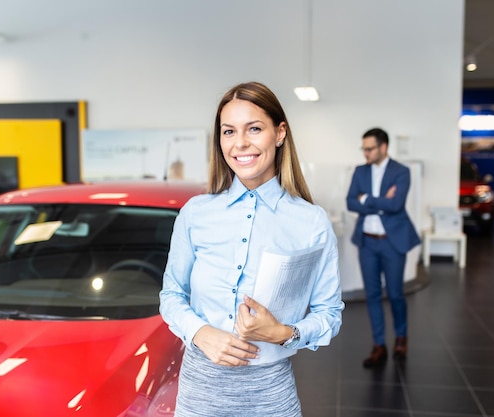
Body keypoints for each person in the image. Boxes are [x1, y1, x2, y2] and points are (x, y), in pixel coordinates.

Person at [160, 81, 344, 416]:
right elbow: (171, 295)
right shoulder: (195, 213)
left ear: (280, 133)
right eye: (228, 131)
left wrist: (284, 334)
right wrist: (201, 333)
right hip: (199, 392)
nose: (240, 143)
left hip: (270, 395)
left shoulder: (311, 222)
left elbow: (329, 314)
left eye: (254, 128)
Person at [346, 127, 420, 368]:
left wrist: (365, 199)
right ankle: (379, 345)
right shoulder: (360, 171)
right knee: (373, 295)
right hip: (367, 242)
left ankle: (401, 338)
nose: (365, 153)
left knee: (396, 293)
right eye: (364, 149)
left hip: (392, 241)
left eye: (370, 149)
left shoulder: (402, 172)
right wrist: (380, 203)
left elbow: (396, 205)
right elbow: (350, 202)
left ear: (383, 147)